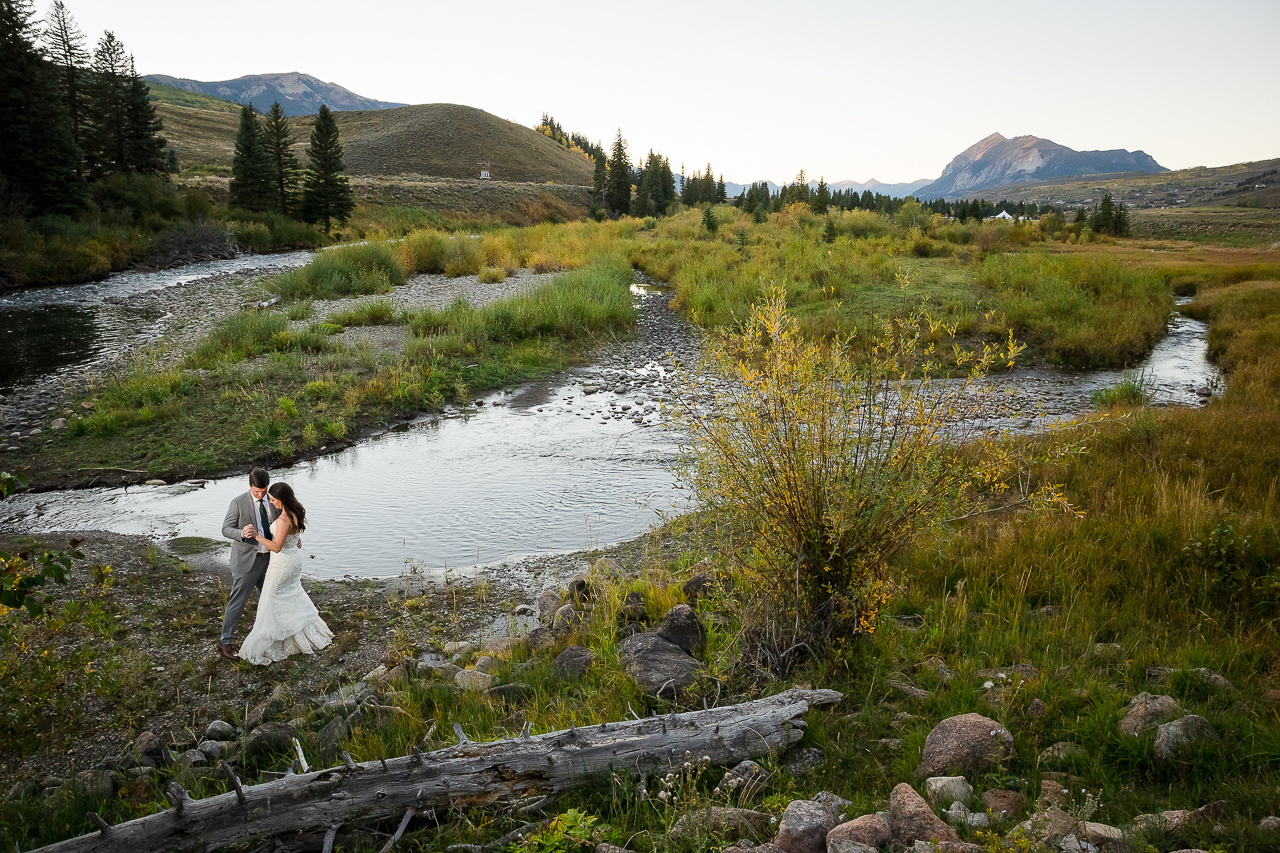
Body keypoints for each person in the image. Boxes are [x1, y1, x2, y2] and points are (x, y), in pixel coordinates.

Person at [238, 482, 333, 665]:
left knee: (271, 597)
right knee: (291, 594)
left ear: (281, 500)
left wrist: (257, 536)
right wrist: (295, 540)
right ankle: (298, 633)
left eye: (273, 500)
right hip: (295, 559)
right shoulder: (296, 511)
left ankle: (275, 637)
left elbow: (276, 547)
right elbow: (294, 536)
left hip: (283, 563)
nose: (272, 503)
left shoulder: (283, 519)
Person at [218, 468, 278, 661]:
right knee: (238, 602)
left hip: (270, 560)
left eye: (264, 491)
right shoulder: (237, 502)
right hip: (246, 562)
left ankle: (267, 637)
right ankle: (225, 642)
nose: (261, 495)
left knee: (269, 599)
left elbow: (282, 523)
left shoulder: (274, 500)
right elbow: (226, 529)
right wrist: (242, 533)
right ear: (250, 485)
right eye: (257, 492)